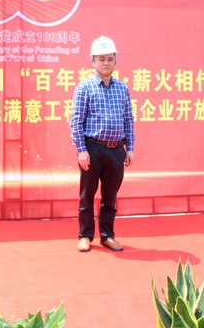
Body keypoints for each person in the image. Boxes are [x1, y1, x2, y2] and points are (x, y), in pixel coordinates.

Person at [69, 36, 135, 253]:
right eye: (101, 59)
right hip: (92, 149)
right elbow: (76, 121)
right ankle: (85, 236)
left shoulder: (122, 89)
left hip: (116, 150)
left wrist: (130, 148)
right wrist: (81, 150)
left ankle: (107, 236)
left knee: (110, 197)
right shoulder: (84, 88)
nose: (106, 63)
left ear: (115, 61)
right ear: (93, 61)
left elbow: (128, 119)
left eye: (109, 59)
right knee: (87, 195)